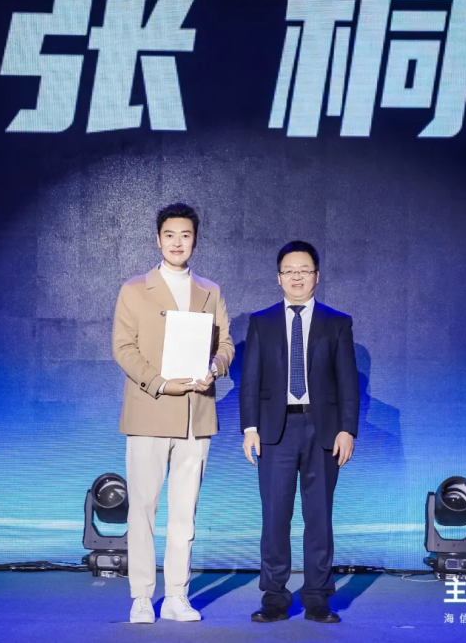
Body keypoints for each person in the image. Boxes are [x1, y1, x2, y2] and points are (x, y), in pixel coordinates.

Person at [111, 203, 234, 624]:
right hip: (150, 410)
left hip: (195, 414)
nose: (177, 242)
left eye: (185, 235)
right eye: (170, 235)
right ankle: (142, 597)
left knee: (185, 512)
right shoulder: (134, 289)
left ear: (195, 240)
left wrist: (214, 366)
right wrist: (162, 383)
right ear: (157, 239)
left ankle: (177, 596)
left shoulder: (210, 290)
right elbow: (123, 348)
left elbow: (225, 344)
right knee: (142, 509)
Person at [239, 240, 359, 624]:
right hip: (275, 431)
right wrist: (250, 428)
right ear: (279, 277)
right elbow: (250, 381)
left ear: (316, 276)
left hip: (322, 431)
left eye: (304, 270)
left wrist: (347, 430)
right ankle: (274, 597)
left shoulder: (337, 323)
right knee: (275, 518)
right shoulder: (262, 322)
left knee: (318, 518)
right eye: (289, 271)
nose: (297, 277)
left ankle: (318, 598)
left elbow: (348, 383)